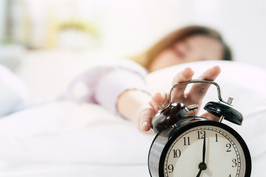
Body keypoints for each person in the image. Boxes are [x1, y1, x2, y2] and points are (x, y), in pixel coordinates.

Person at [64, 25, 232, 133]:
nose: (185, 66)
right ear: (165, 46)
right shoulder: (126, 70)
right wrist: (147, 111)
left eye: (198, 66)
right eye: (180, 52)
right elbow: (117, 85)